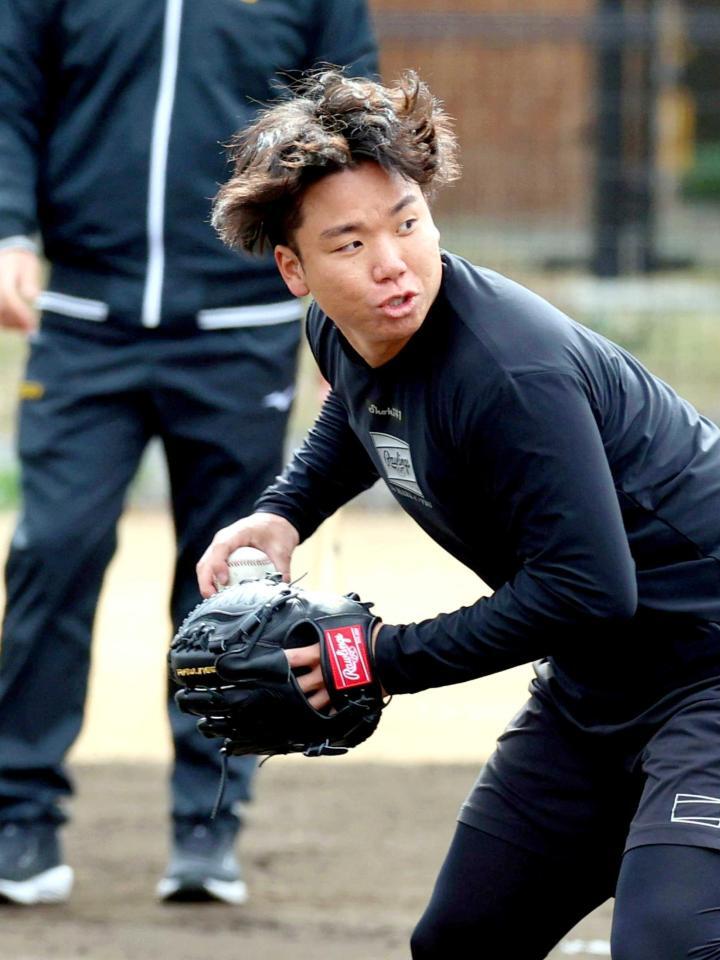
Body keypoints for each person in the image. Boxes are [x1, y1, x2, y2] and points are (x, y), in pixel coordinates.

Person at [197, 69, 720, 959]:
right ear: (294, 271)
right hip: (598, 680)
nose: (392, 262)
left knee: (667, 950)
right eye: (349, 244)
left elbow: (586, 589)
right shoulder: (346, 330)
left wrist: (383, 659)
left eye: (407, 223)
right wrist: (283, 513)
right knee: (461, 945)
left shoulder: (509, 375)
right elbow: (363, 408)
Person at [0, 1, 377, 907]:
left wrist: (343, 312)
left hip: (241, 331)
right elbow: (10, 94)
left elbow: (349, 134)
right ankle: (22, 816)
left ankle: (207, 824)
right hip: (86, 323)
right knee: (53, 549)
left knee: (230, 582)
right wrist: (11, 228)